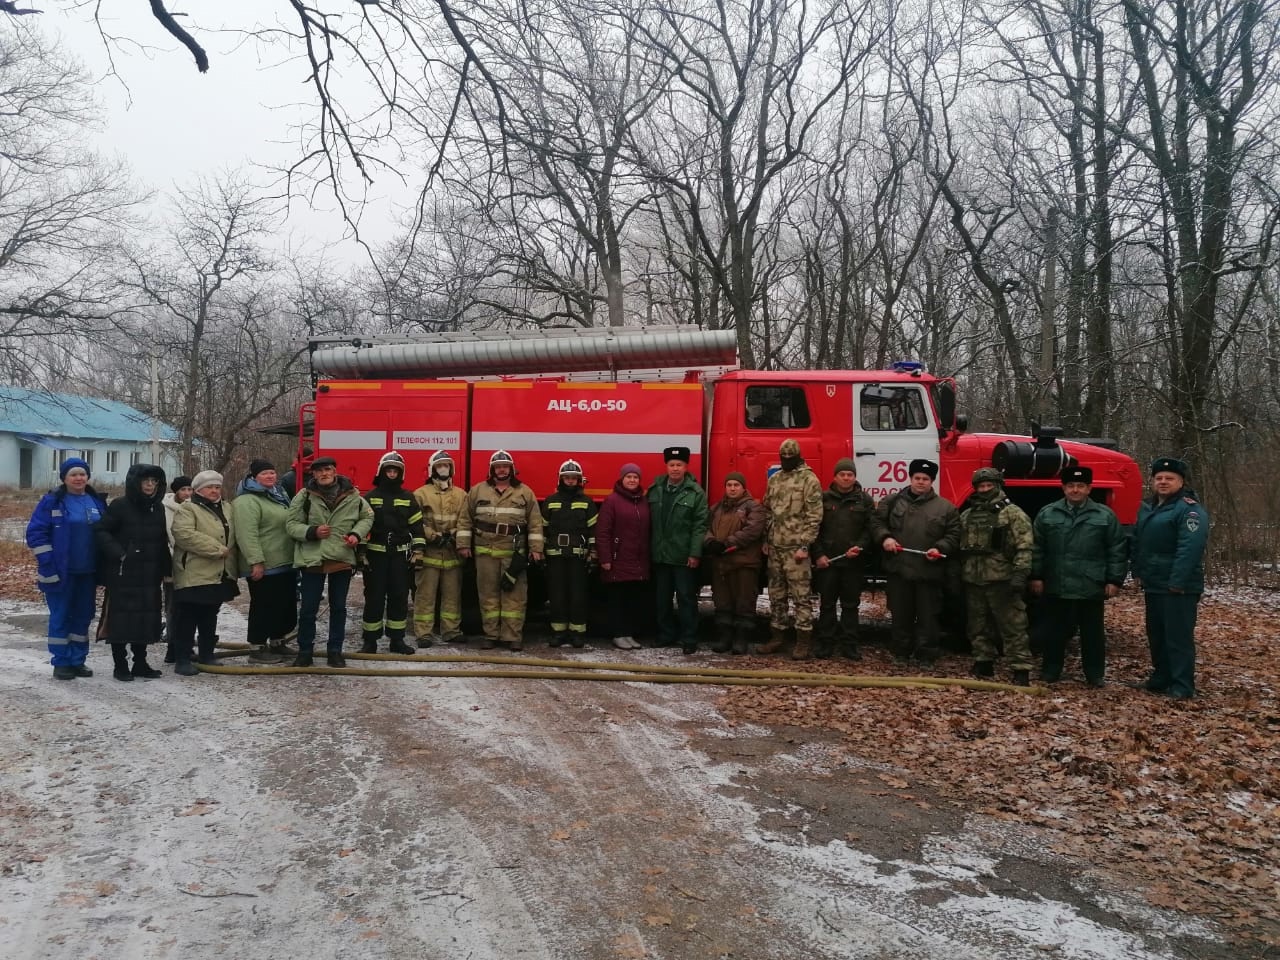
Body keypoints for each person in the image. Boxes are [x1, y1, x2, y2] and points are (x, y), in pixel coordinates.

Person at [1030, 465, 1128, 687]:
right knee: (1054, 631)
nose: (1075, 490)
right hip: (1057, 581)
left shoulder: (1104, 515)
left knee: (1092, 634)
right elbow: (1036, 548)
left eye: (1080, 486)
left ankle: (1094, 674)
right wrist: (1036, 576)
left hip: (1090, 583)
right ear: (1063, 488)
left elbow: (1117, 549)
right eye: (1071, 486)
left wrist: (1114, 580)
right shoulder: (1047, 514)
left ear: (1089, 488)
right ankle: (1051, 670)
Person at [1131, 457, 1209, 699]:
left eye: (1169, 478)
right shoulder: (1148, 508)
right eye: (1159, 478)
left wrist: (1177, 581)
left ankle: (1182, 685)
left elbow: (1189, 549)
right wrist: (1138, 572)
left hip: (1178, 587)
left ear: (1181, 482)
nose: (1163, 482)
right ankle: (1161, 677)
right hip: (1154, 583)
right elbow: (1138, 543)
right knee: (1157, 634)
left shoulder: (1189, 510)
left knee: (1177, 637)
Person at [286, 456, 374, 668]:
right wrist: (312, 531)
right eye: (319, 471)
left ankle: (335, 651)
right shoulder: (304, 496)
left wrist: (356, 534)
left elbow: (367, 517)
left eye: (327, 469)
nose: (324, 474)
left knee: (338, 608)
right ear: (313, 474)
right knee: (308, 609)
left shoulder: (353, 495)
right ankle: (305, 651)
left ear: (334, 471)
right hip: (312, 559)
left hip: (341, 558)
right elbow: (290, 524)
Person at [871, 458, 959, 665]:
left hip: (928, 572)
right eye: (917, 478)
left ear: (932, 482)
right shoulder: (891, 502)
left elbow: (954, 534)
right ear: (910, 478)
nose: (921, 482)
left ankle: (926, 655)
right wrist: (886, 538)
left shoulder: (946, 508)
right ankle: (901, 652)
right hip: (899, 569)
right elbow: (876, 523)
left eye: (925, 479)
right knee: (901, 614)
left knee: (928, 617)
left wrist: (940, 548)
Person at [26, 457, 107, 679]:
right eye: (73, 474)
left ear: (88, 476)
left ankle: (77, 660)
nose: (79, 478)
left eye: (82, 474)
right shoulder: (52, 502)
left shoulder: (96, 502)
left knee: (83, 616)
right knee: (61, 616)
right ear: (64, 478)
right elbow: (36, 533)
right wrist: (47, 563)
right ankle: (61, 662)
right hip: (60, 572)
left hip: (88, 572)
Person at [456, 450, 544, 651]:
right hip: (485, 552)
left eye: (505, 466)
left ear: (512, 469)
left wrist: (536, 549)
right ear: (492, 469)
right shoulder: (477, 491)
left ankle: (512, 637)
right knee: (488, 595)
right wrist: (462, 544)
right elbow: (465, 519)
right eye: (498, 466)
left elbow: (535, 523)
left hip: (513, 555)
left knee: (515, 596)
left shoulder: (525, 492)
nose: (502, 469)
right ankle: (491, 635)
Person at [957, 467, 1034, 685]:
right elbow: (960, 548)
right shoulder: (967, 515)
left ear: (998, 486)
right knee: (977, 625)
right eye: (981, 486)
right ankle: (983, 661)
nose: (984, 490)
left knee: (1013, 626)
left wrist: (1021, 574)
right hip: (973, 578)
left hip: (1002, 578)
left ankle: (1020, 669)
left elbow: (1025, 547)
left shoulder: (1013, 514)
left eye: (989, 485)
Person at [94, 463, 169, 681]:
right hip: (123, 574)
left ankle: (140, 663)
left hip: (150, 574)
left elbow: (161, 540)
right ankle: (120, 665)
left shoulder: (158, 507)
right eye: (145, 480)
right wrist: (120, 553)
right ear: (135, 482)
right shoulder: (120, 505)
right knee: (121, 620)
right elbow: (100, 531)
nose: (150, 485)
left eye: (154, 481)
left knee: (145, 620)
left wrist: (166, 568)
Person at [170, 471, 239, 677]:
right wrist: (216, 549)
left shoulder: (227, 508)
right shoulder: (188, 509)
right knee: (188, 616)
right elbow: (184, 535)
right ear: (198, 490)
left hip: (220, 572)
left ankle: (207, 654)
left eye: (217, 487)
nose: (214, 490)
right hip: (194, 572)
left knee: (210, 614)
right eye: (209, 487)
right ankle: (182, 658)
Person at [759, 439, 823, 659]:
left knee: (801, 596)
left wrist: (805, 545)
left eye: (790, 458)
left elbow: (814, 516)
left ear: (798, 456)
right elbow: (767, 510)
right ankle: (777, 637)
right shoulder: (775, 479)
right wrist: (766, 540)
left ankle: (803, 640)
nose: (786, 461)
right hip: (776, 547)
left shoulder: (809, 479)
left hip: (796, 549)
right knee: (776, 595)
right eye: (783, 458)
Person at [360, 451, 427, 655]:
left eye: (395, 470)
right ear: (381, 471)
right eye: (388, 470)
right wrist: (361, 554)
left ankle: (397, 640)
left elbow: (417, 527)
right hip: (376, 557)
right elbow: (362, 526)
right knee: (374, 598)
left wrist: (419, 551)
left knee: (399, 597)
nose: (391, 473)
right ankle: (370, 641)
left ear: (401, 473)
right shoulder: (370, 497)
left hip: (399, 557)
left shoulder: (408, 498)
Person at [233, 458, 298, 663]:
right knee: (264, 606)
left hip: (284, 561)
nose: (270, 476)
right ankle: (257, 646)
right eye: (264, 473)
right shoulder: (247, 501)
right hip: (264, 565)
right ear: (253, 477)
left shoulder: (278, 496)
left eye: (272, 472)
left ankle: (278, 642)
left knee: (284, 605)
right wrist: (256, 561)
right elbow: (246, 534)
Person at [647, 445, 709, 654]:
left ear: (686, 467)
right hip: (661, 555)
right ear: (666, 466)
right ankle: (665, 635)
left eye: (679, 465)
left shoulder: (695, 493)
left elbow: (700, 525)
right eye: (672, 465)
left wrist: (694, 553)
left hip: (683, 556)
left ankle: (689, 638)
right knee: (661, 599)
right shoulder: (655, 490)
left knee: (686, 598)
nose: (675, 469)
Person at [812, 458, 875, 660]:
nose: (846, 478)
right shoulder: (823, 499)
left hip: (852, 564)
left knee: (850, 605)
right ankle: (825, 643)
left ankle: (850, 645)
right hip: (828, 563)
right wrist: (819, 555)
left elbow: (870, 528)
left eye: (850, 474)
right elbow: (814, 530)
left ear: (854, 477)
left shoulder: (864, 500)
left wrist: (860, 547)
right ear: (835, 477)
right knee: (827, 605)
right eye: (842, 474)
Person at [704, 472, 766, 655]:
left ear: (743, 488)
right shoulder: (716, 509)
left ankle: (741, 639)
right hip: (721, 564)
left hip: (744, 564)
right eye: (729, 485)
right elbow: (704, 528)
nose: (732, 488)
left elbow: (752, 531)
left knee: (744, 603)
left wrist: (727, 543)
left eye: (736, 485)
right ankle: (725, 638)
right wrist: (710, 542)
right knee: (722, 602)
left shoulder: (753, 507)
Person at [541, 459, 598, 648]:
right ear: (561, 479)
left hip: (578, 557)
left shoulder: (587, 503)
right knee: (557, 595)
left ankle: (577, 633)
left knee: (578, 595)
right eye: (567, 478)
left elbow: (593, 532)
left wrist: (593, 553)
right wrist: (540, 552)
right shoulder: (550, 501)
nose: (571, 481)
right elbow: (542, 530)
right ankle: (559, 632)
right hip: (555, 555)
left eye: (574, 478)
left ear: (579, 480)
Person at [412, 449, 467, 646]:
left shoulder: (461, 495)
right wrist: (432, 536)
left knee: (452, 596)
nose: (443, 468)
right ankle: (423, 633)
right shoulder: (420, 494)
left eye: (446, 465)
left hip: (452, 553)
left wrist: (453, 535)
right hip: (429, 553)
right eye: (439, 465)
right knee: (425, 595)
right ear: (432, 469)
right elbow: (415, 521)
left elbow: (465, 520)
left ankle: (451, 630)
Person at [596, 463, 651, 650]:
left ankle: (629, 634)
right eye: (629, 477)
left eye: (635, 477)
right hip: (618, 559)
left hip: (637, 560)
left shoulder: (643, 501)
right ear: (622, 478)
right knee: (617, 600)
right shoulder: (611, 501)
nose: (632, 480)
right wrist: (605, 558)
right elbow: (603, 532)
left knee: (633, 600)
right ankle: (618, 634)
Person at [161, 475, 192, 662]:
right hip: (172, 565)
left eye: (190, 489)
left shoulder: (196, 507)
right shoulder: (165, 509)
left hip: (193, 567)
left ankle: (187, 645)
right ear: (176, 491)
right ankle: (172, 647)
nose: (187, 493)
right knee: (173, 608)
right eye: (183, 490)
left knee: (191, 608)